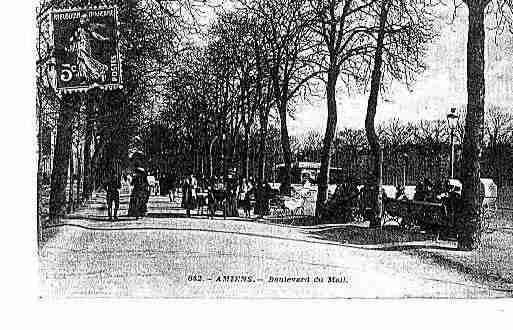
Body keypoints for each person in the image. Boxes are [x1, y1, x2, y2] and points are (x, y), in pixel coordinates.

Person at [66, 13, 110, 85]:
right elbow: (74, 38)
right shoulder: (78, 29)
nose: (82, 20)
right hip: (79, 47)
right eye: (81, 19)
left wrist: (104, 39)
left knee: (87, 61)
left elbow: (96, 35)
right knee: (81, 63)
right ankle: (87, 78)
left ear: (86, 20)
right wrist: (72, 40)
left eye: (84, 19)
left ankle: (101, 70)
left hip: (85, 47)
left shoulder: (88, 28)